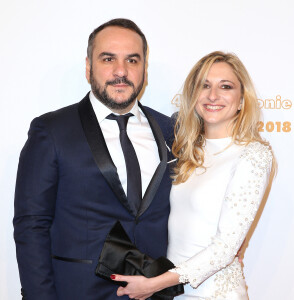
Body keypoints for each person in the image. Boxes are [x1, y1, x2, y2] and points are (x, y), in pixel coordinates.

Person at [13, 18, 175, 300]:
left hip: (153, 293)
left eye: (133, 60)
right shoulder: (51, 131)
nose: (121, 71)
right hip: (78, 292)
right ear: (88, 67)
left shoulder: (170, 131)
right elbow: (31, 224)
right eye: (108, 58)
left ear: (144, 71)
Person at [111, 51, 275, 299]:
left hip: (214, 294)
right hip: (175, 291)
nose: (212, 95)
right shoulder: (188, 149)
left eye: (226, 86)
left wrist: (155, 284)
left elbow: (225, 249)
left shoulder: (253, 155)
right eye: (204, 85)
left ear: (242, 99)